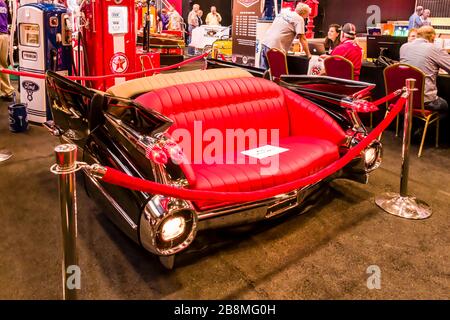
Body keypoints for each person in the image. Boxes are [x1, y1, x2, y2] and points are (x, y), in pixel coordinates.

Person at [400, 26, 450, 113]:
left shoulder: (403, 47)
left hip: (405, 96)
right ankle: (428, 126)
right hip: (425, 101)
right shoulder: (435, 49)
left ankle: (418, 124)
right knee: (444, 105)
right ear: (432, 37)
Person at [260, 3, 312, 70]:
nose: (307, 17)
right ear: (304, 12)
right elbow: (302, 38)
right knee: (277, 73)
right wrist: (308, 54)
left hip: (265, 43)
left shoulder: (284, 13)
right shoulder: (299, 19)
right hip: (275, 47)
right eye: (307, 14)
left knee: (263, 72)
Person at [0, 0, 14, 100]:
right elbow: (8, 20)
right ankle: (7, 91)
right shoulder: (3, 3)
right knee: (3, 64)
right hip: (4, 35)